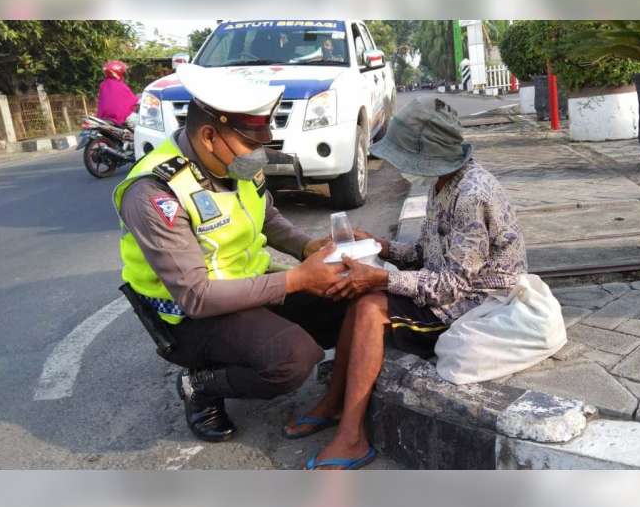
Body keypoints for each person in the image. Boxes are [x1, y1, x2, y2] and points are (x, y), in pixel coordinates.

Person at [284, 97, 528, 470]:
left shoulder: (471, 195)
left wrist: (381, 276)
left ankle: (351, 436)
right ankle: (335, 402)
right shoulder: (446, 182)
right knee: (364, 297)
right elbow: (428, 252)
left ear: (427, 156)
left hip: (478, 304)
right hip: (452, 289)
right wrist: (382, 247)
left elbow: (452, 284)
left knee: (370, 306)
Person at [113, 63, 347, 443]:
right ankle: (201, 384)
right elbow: (196, 297)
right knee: (293, 359)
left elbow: (266, 215)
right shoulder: (155, 192)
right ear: (208, 136)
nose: (258, 155)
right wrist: (297, 279)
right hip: (189, 318)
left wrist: (307, 247)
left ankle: (334, 382)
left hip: (250, 288)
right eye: (251, 144)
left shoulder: (232, 162)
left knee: (347, 297)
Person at [96, 60, 138, 126]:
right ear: (119, 73)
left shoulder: (103, 85)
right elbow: (133, 101)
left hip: (103, 118)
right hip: (118, 119)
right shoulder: (122, 86)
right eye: (123, 73)